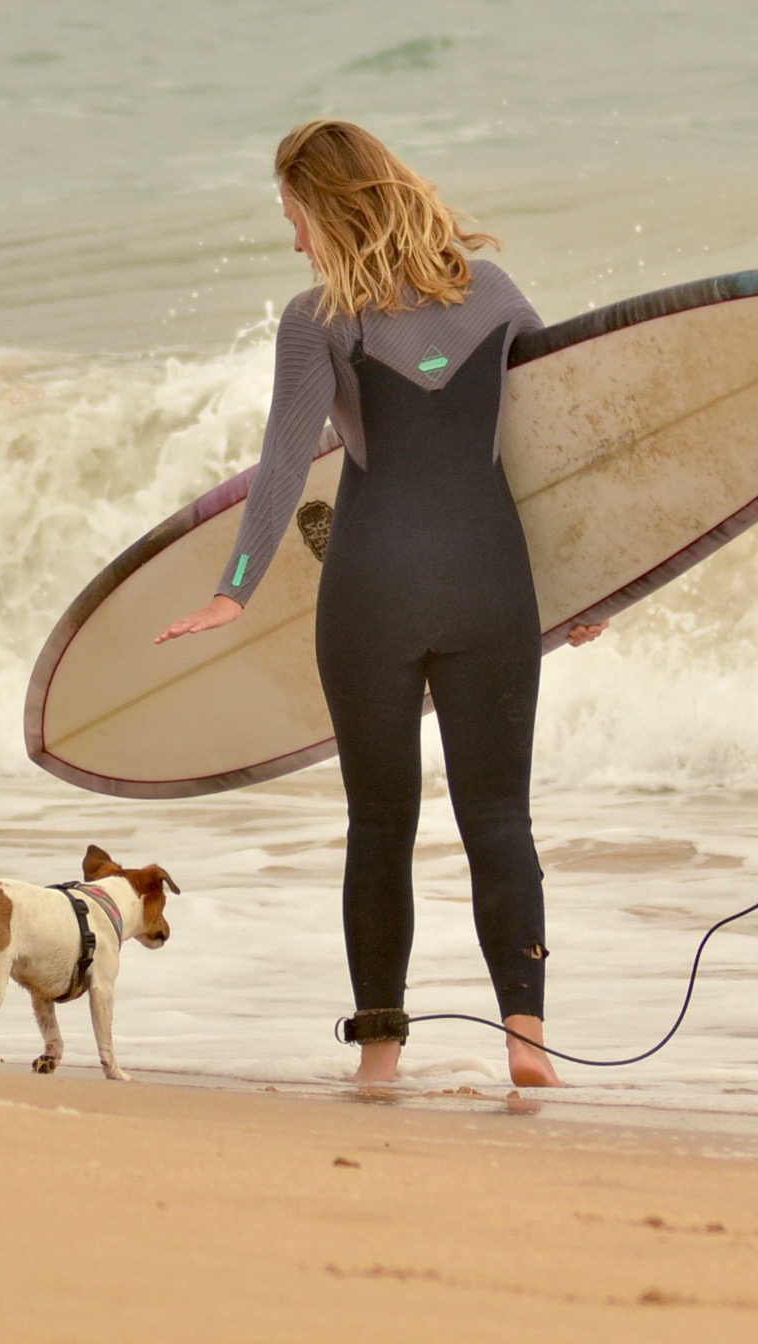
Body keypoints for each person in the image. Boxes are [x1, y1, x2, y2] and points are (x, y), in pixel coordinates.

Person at [156, 121, 603, 1088]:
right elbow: (558, 448)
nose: (294, 242)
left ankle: (381, 1063)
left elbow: (282, 464)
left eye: (295, 219)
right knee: (500, 818)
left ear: (327, 210)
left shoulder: (317, 317)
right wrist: (589, 587)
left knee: (379, 825)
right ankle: (528, 1046)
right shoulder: (496, 294)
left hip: (372, 595)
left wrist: (233, 595)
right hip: (493, 587)